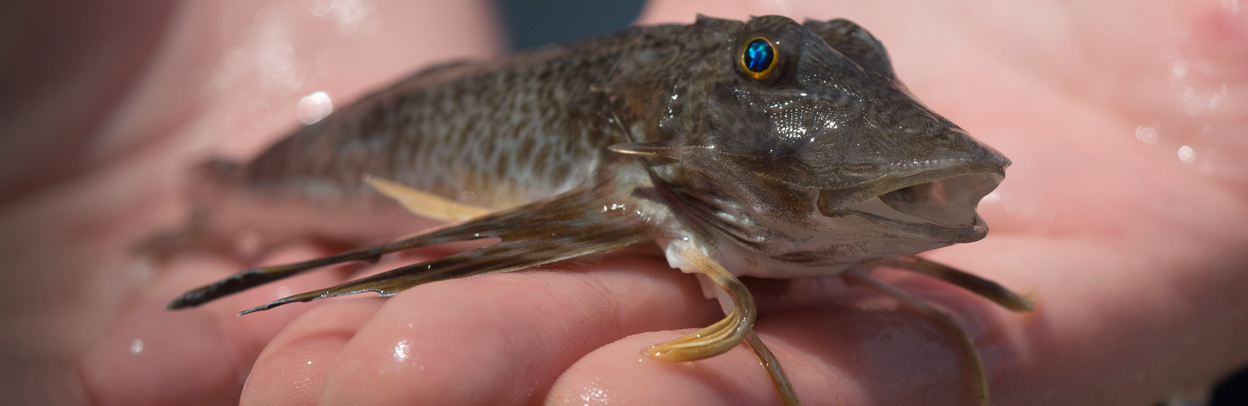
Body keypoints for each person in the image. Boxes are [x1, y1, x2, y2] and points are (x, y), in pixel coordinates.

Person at [2, 0, 1245, 404]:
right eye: (763, 62)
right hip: (344, 152)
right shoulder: (622, 152)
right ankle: (224, 214)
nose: (782, 76)